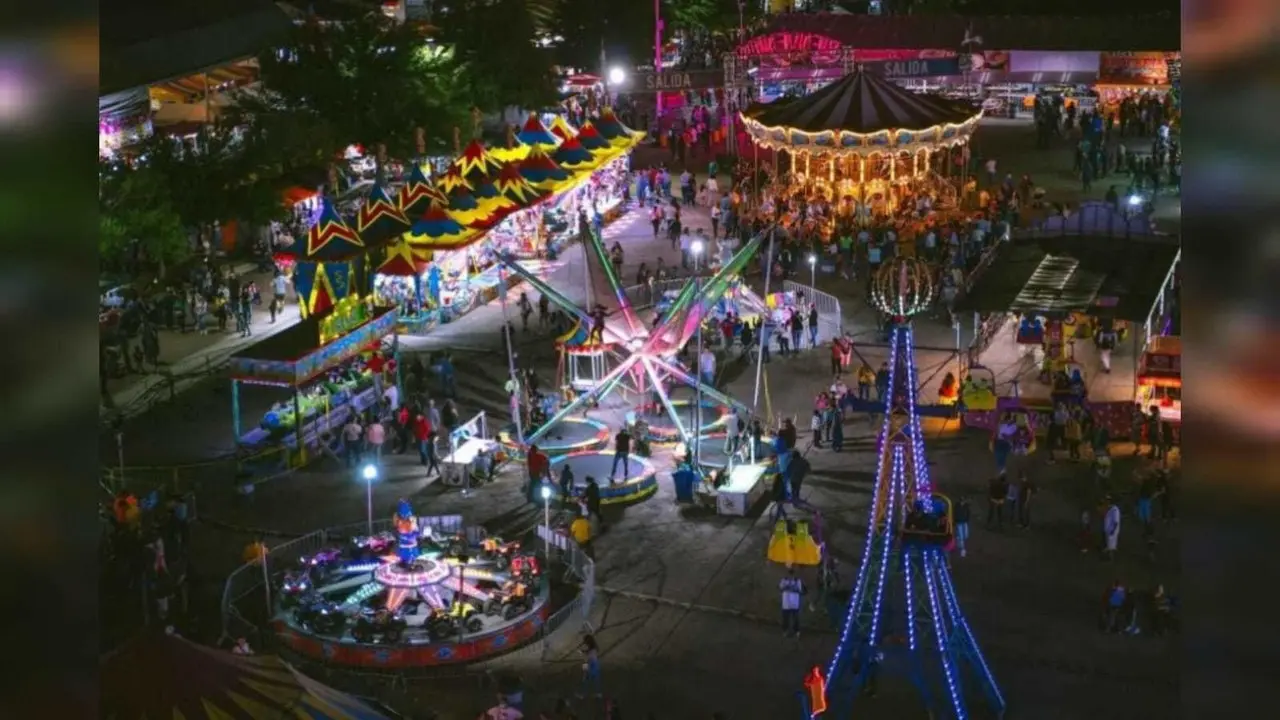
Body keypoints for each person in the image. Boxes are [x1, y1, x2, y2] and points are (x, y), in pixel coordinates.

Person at [779, 567, 806, 638]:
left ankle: (797, 631)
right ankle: (785, 631)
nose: (790, 575)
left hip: (794, 603)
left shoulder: (797, 581)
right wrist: (786, 586)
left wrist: (794, 588)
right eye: (789, 574)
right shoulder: (784, 580)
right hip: (786, 602)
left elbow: (800, 591)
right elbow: (780, 588)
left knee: (796, 618)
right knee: (785, 618)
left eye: (792, 574)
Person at [578, 633, 602, 699]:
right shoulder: (593, 648)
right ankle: (598, 694)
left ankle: (582, 695)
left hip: (592, 666)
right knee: (596, 681)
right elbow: (588, 652)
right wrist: (583, 651)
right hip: (596, 665)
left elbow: (587, 659)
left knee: (585, 680)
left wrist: (585, 670)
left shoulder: (591, 650)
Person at [1102, 496, 1121, 561]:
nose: (1107, 501)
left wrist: (1113, 530)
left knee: (1111, 546)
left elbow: (1116, 522)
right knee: (1109, 545)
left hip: (1112, 531)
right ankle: (1108, 557)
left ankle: (1110, 559)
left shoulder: (1115, 510)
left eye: (1108, 500)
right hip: (1108, 530)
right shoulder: (1110, 508)